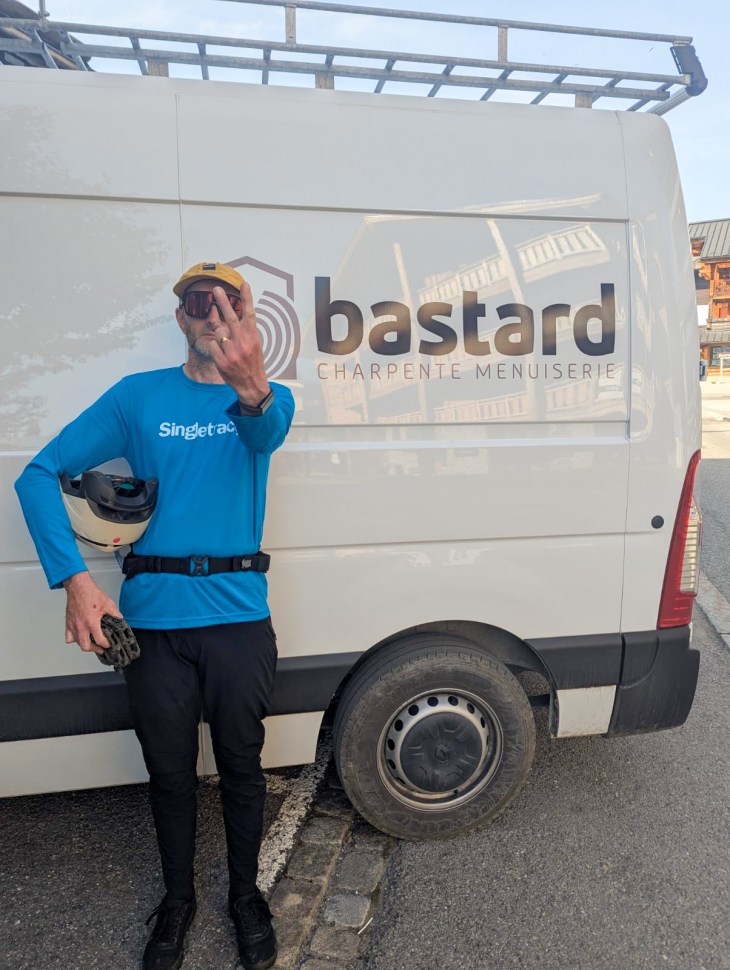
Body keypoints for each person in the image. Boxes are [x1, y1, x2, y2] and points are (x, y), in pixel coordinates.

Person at [15, 262, 295, 970]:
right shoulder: (138, 398)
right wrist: (76, 580)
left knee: (241, 766)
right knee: (169, 774)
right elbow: (37, 473)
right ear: (181, 320)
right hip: (154, 626)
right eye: (196, 303)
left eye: (225, 301)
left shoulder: (266, 398)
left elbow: (265, 432)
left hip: (237, 621)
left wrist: (252, 383)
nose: (211, 314)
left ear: (247, 311)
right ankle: (178, 901)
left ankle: (243, 897)